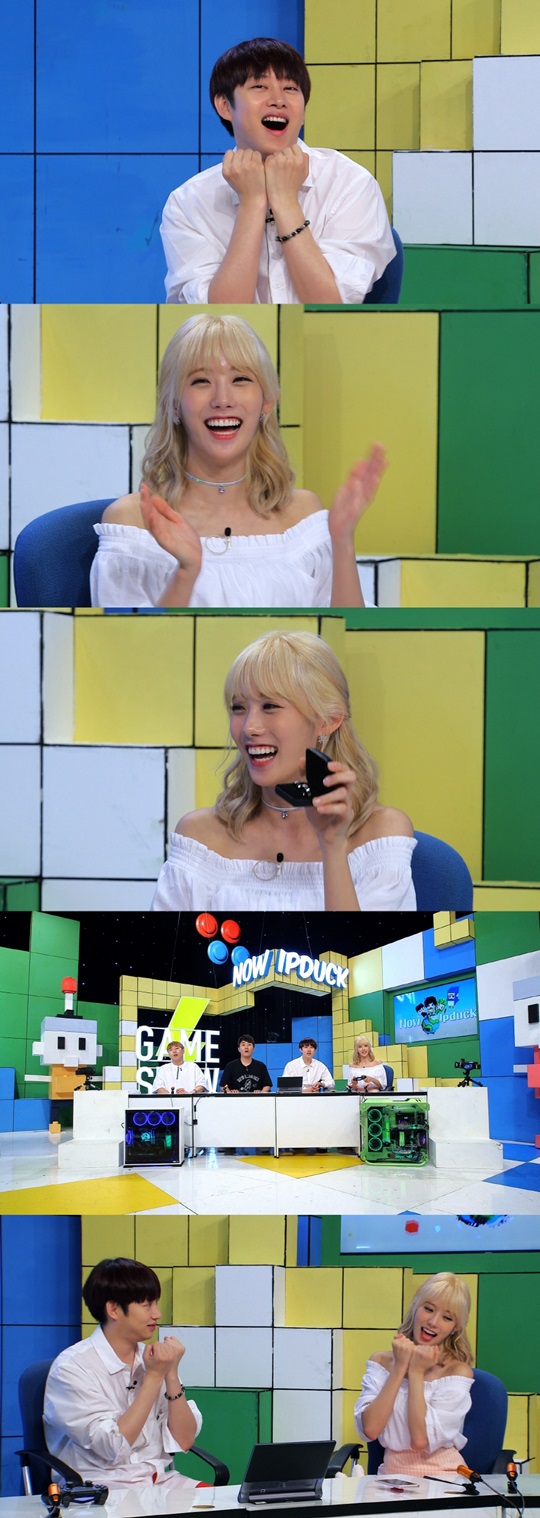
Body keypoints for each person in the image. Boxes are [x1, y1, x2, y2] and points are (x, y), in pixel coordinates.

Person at [90, 313, 385, 610]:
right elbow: (136, 638)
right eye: (201, 381)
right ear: (173, 405)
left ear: (267, 401)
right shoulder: (132, 522)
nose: (222, 399)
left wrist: (342, 542)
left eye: (240, 379)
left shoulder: (304, 515)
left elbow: (339, 625)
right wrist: (186, 573)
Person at [152, 630, 416, 912]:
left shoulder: (382, 834)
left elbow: (356, 942)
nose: (249, 727)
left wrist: (332, 846)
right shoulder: (199, 838)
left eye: (270, 706)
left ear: (327, 721)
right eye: (238, 708)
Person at [160, 37, 395, 305]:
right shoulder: (189, 203)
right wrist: (252, 203)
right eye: (259, 86)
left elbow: (330, 306)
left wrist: (284, 200)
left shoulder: (350, 183)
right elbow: (219, 318)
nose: (278, 100)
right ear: (225, 105)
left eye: (290, 88)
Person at [44, 1258, 202, 1492]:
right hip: (101, 1489)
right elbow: (113, 1447)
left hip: (158, 1482)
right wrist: (153, 1378)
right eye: (147, 1305)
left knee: (230, 1505)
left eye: (156, 1303)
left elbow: (185, 1440)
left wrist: (171, 1373)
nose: (157, 1314)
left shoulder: (153, 1359)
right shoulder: (72, 1368)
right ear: (114, 1309)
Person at [354, 1272, 474, 1479]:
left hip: (444, 1476)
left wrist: (416, 1372)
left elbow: (420, 1440)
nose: (433, 1322)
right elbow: (371, 1430)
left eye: (447, 1318)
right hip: (392, 1476)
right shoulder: (380, 1362)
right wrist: (400, 1367)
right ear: (416, 1307)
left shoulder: (457, 1372)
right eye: (428, 1309)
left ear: (455, 1328)